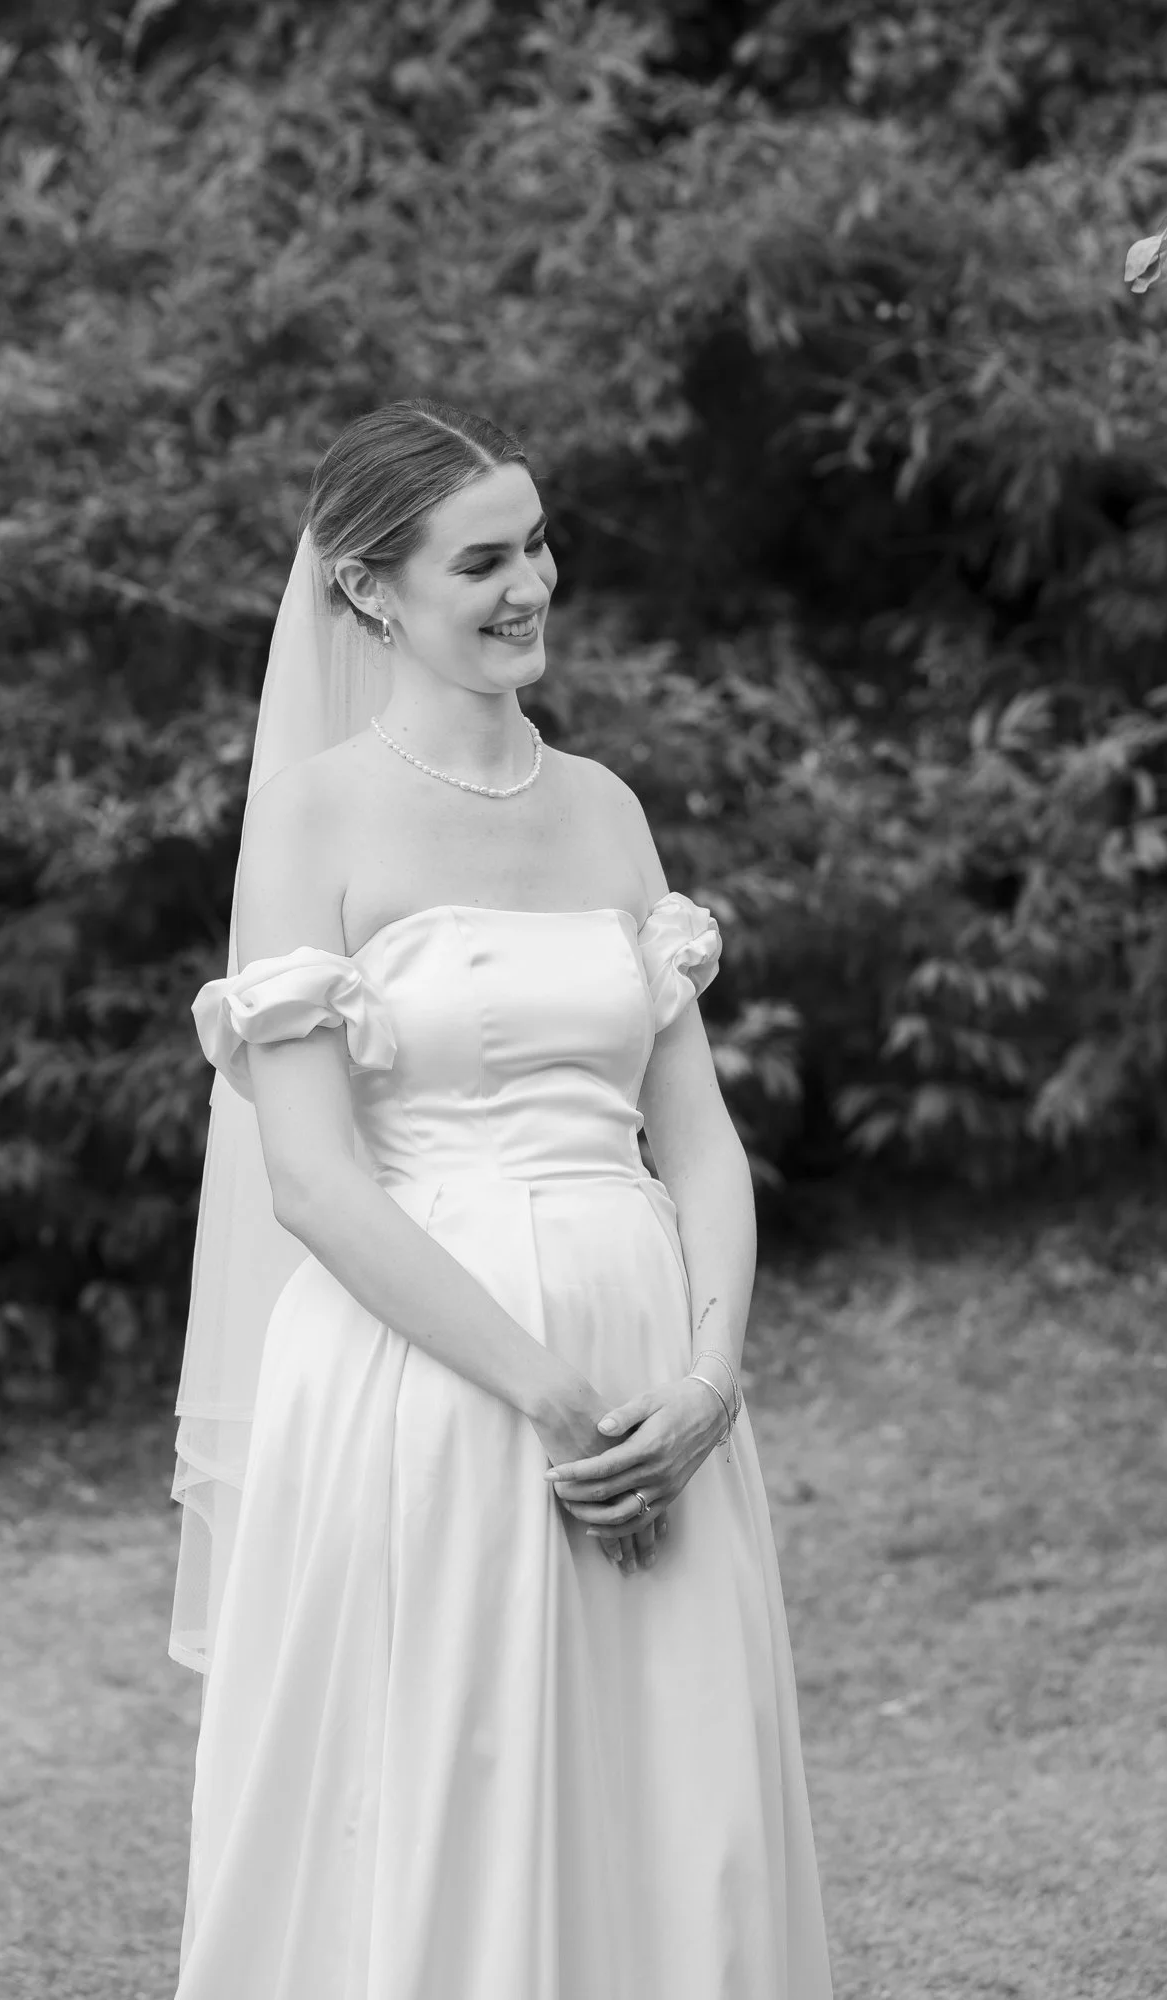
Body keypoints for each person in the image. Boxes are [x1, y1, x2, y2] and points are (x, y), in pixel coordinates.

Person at [170, 398, 834, 2000]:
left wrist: (701, 1382)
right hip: (436, 1382)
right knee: (448, 1791)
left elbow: (699, 1138)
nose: (530, 582)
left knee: (676, 1801)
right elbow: (316, 1181)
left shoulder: (605, 806)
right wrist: (553, 1396)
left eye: (537, 542)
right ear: (373, 594)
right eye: (482, 559)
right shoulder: (315, 817)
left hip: (648, 1364)